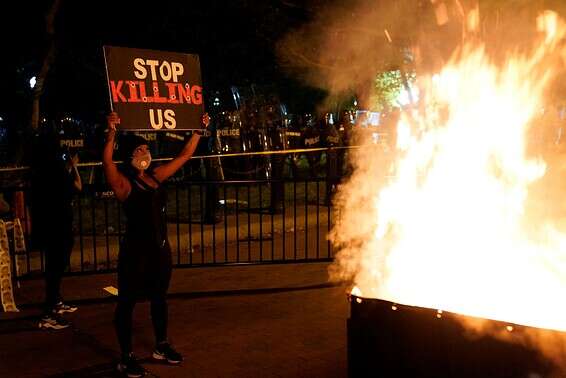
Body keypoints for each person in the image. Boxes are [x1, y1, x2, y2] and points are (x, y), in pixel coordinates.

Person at [103, 111, 209, 377]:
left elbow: (184, 156)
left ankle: (161, 345)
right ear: (129, 155)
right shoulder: (124, 184)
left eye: (147, 148)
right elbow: (106, 162)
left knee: (159, 298)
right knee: (126, 302)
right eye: (139, 149)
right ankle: (126, 356)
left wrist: (198, 131)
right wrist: (112, 132)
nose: (145, 152)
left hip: (160, 250)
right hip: (135, 253)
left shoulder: (156, 175)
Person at [32, 138, 82, 330]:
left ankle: (55, 303)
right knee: (56, 268)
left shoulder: (39, 171)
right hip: (60, 226)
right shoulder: (57, 170)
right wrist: (74, 167)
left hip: (48, 226)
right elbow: (77, 187)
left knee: (54, 267)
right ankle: (49, 312)